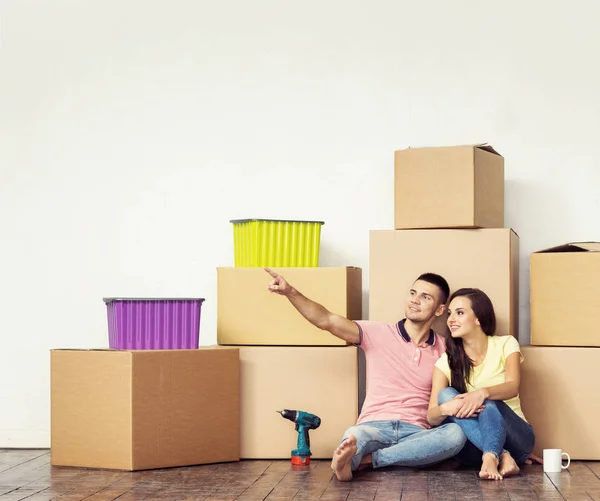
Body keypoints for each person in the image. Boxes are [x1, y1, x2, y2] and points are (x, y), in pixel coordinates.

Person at [265, 267, 467, 481]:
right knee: (355, 436)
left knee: (455, 436)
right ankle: (350, 465)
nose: (415, 300)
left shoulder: (445, 349)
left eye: (425, 297)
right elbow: (327, 320)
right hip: (373, 427)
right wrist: (290, 292)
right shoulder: (378, 333)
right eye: (412, 293)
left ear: (439, 310)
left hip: (416, 432)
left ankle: (367, 461)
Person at [426, 288, 535, 481]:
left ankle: (496, 454)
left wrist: (481, 393)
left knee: (487, 402)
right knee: (446, 395)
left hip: (518, 437)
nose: (451, 319)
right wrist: (446, 408)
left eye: (459, 313)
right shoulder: (446, 361)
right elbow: (431, 417)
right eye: (450, 314)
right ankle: (499, 455)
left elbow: (512, 386)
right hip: (476, 448)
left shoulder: (506, 344)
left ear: (479, 318)